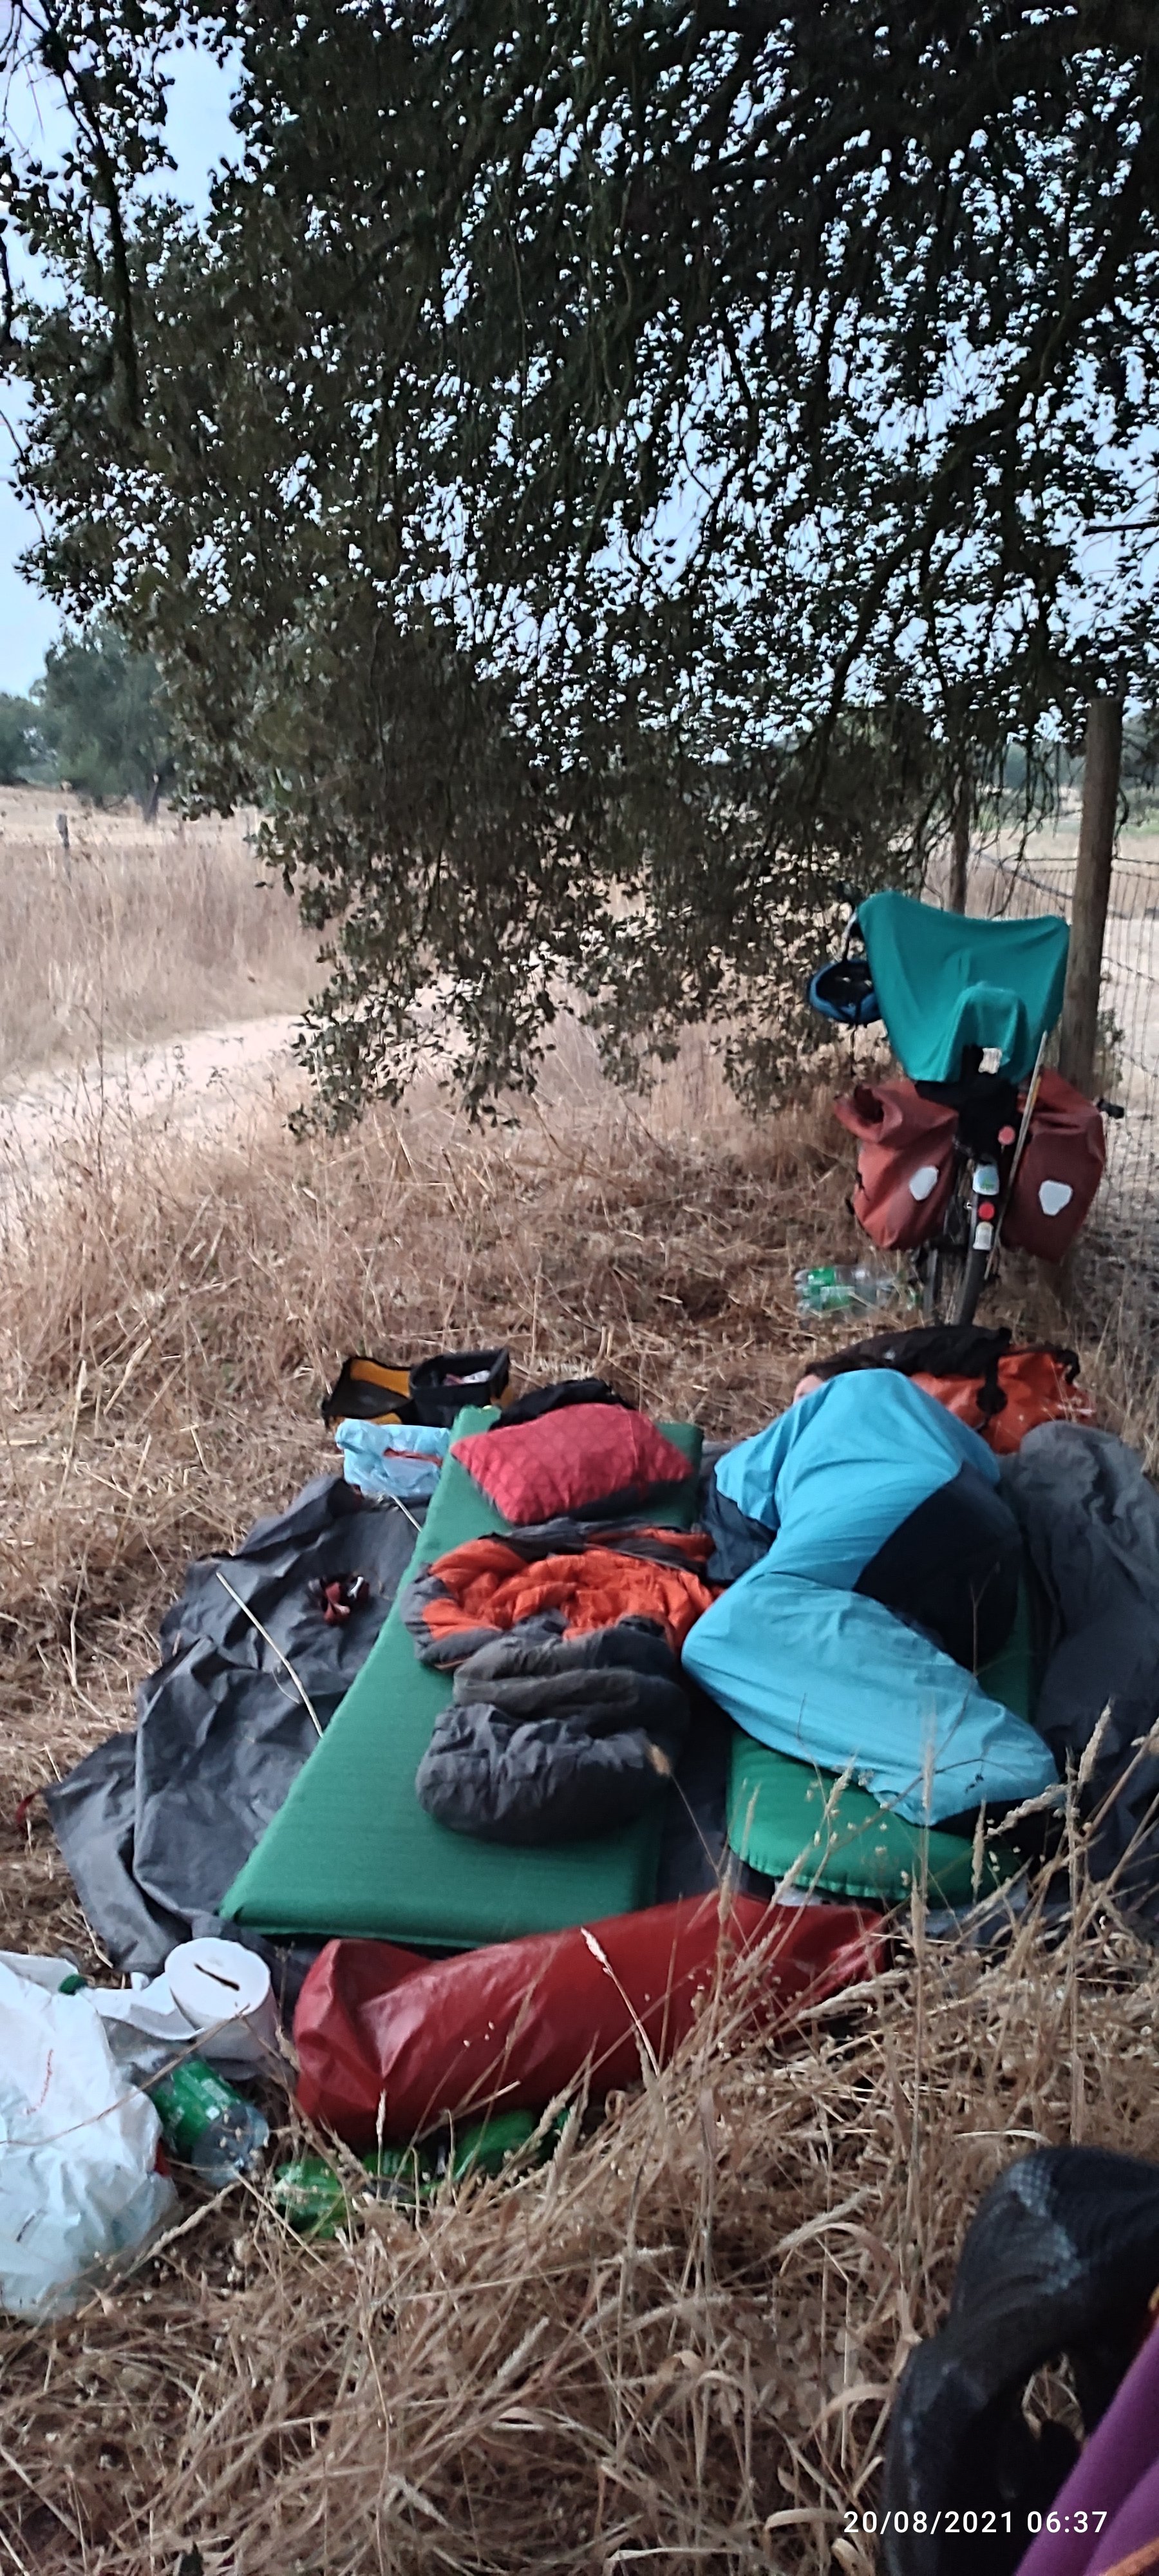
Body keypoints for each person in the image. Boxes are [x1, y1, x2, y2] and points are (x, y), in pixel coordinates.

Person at [684, 1369, 1059, 1825]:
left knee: (721, 1638)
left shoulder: (756, 1460)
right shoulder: (890, 1390)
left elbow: (745, 1536)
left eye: (802, 1392)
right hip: (990, 1549)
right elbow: (989, 1466)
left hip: (896, 1524)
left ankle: (992, 1765)